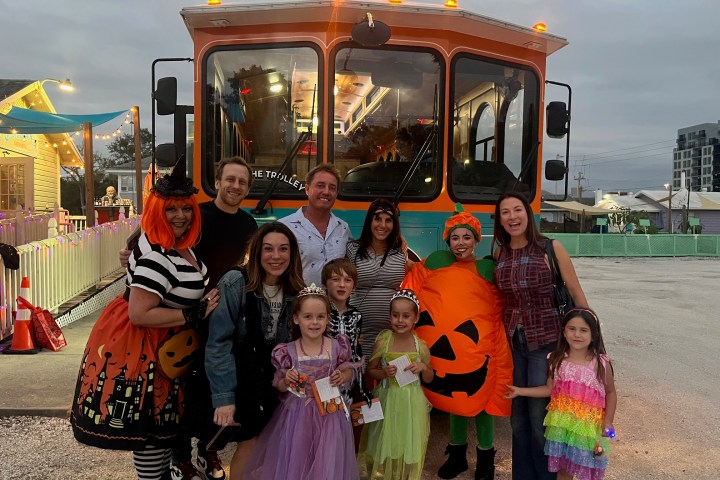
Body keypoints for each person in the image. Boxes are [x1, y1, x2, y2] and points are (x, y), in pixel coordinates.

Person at [70, 159, 220, 480]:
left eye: (186, 208)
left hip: (170, 349)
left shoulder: (182, 248)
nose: (180, 216)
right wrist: (191, 313)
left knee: (162, 436)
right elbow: (139, 313)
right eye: (171, 209)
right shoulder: (158, 256)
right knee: (150, 435)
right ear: (157, 213)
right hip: (147, 351)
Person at [403, 204, 511, 480]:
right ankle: (458, 454)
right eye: (454, 237)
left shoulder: (488, 268)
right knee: (453, 394)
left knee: (483, 399)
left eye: (466, 237)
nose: (460, 243)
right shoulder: (437, 261)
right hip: (447, 346)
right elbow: (412, 286)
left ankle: (486, 457)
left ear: (476, 240)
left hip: (479, 346)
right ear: (447, 240)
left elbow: (505, 298)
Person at [170, 156, 257, 480]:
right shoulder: (196, 215)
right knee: (185, 389)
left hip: (225, 319)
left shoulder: (249, 225)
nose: (236, 186)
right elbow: (155, 237)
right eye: (230, 180)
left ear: (247, 188)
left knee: (214, 388)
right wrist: (128, 250)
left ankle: (209, 450)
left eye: (242, 182)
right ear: (218, 182)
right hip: (189, 315)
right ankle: (180, 456)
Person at [492, 192, 589, 480]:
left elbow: (576, 293)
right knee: (517, 419)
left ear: (528, 214)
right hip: (512, 344)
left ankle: (546, 476)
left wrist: (590, 342)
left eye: (517, 210)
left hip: (545, 343)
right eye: (505, 212)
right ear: (499, 219)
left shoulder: (550, 248)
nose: (512, 217)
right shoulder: (500, 252)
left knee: (539, 419)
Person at [205, 221, 305, 480]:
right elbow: (218, 342)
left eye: (283, 249)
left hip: (277, 380)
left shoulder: (296, 290)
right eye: (268, 249)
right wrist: (224, 397)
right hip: (243, 378)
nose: (276, 256)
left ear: (292, 254)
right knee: (250, 443)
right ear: (257, 251)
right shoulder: (236, 282)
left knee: (273, 446)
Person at [243, 285, 360, 480]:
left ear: (327, 318)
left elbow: (348, 370)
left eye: (320, 317)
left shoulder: (336, 346)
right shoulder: (288, 350)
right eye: (308, 317)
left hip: (330, 415)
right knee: (298, 459)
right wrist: (286, 380)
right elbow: (279, 384)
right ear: (296, 318)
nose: (314, 322)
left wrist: (343, 376)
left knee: (327, 460)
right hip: (298, 417)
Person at [505, 308, 617, 480]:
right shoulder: (556, 360)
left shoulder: (601, 363)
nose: (577, 334)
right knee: (563, 471)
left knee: (591, 468)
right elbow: (549, 389)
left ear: (594, 335)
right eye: (571, 329)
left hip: (590, 431)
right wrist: (520, 391)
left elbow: (610, 393)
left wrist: (608, 420)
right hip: (562, 430)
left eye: (583, 330)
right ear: (563, 332)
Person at [356, 289, 433, 480]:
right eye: (395, 315)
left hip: (411, 404)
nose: (400, 320)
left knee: (407, 442)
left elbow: (430, 377)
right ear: (389, 316)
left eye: (406, 316)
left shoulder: (420, 346)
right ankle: (382, 474)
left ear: (415, 318)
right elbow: (370, 370)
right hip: (387, 400)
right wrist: (383, 373)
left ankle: (403, 474)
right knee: (382, 441)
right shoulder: (383, 341)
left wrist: (423, 367)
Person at [346, 199, 411, 359]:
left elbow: (421, 271)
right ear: (369, 220)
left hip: (392, 333)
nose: (382, 225)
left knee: (386, 377)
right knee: (358, 376)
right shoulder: (352, 249)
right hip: (357, 333)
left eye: (388, 220)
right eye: (377, 219)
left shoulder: (401, 252)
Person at [280, 164, 352, 287]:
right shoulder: (284, 227)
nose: (326, 192)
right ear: (307, 189)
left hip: (333, 304)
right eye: (320, 186)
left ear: (336, 193)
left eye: (332, 188)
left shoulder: (343, 228)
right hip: (297, 303)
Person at [322, 258, 364, 404]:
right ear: (324, 284)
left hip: (347, 381)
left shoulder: (356, 315)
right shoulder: (320, 312)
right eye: (335, 279)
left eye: (347, 280)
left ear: (354, 286)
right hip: (323, 379)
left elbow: (356, 351)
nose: (341, 285)